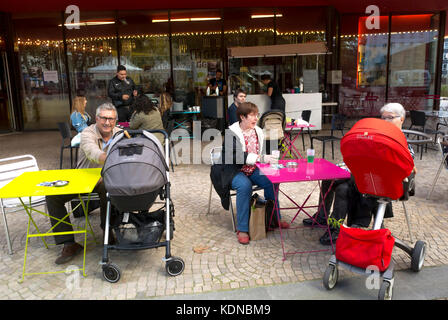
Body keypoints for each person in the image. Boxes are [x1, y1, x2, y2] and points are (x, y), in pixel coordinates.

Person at [303, 102, 417, 245]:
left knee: (337, 182)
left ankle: (335, 225)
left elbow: (410, 167)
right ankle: (330, 223)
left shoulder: (402, 141)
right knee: (338, 185)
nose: (385, 122)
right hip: (364, 179)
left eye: (390, 118)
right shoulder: (377, 135)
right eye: (383, 118)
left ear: (401, 119)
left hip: (385, 183)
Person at [45, 103, 121, 265]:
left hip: (107, 179)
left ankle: (107, 231)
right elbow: (92, 152)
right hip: (83, 177)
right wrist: (111, 158)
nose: (107, 122)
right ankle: (68, 243)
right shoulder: (87, 133)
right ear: (97, 118)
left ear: (115, 120)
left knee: (108, 186)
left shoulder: (120, 133)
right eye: (104, 118)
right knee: (52, 196)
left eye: (111, 119)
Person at [210, 102, 289, 245]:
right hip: (233, 169)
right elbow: (236, 156)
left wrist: (270, 158)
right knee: (244, 185)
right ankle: (243, 229)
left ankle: (273, 218)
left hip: (252, 168)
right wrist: (261, 158)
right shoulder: (231, 133)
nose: (256, 118)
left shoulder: (258, 131)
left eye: (257, 115)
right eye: (252, 115)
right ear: (242, 117)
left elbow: (263, 151)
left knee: (272, 180)